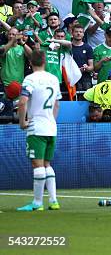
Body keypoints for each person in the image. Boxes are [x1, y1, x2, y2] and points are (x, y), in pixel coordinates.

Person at [17, 49, 62, 211]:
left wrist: (22, 122)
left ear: (30, 63)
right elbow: (57, 104)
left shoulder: (30, 79)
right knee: (47, 164)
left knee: (38, 165)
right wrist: (51, 120)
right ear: (45, 62)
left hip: (36, 127)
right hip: (51, 126)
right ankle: (53, 201)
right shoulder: (53, 79)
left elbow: (22, 102)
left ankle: (37, 203)